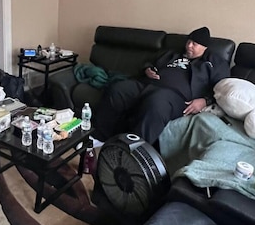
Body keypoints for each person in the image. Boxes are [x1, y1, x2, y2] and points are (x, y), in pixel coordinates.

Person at [94, 27, 230, 146]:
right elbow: (148, 62)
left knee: (156, 102)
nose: (189, 46)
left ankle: (133, 153)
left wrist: (205, 100)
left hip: (175, 97)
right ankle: (99, 137)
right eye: (188, 41)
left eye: (194, 44)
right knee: (118, 89)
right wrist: (148, 69)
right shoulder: (171, 54)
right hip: (147, 85)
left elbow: (223, 88)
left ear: (205, 47)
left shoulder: (214, 63)